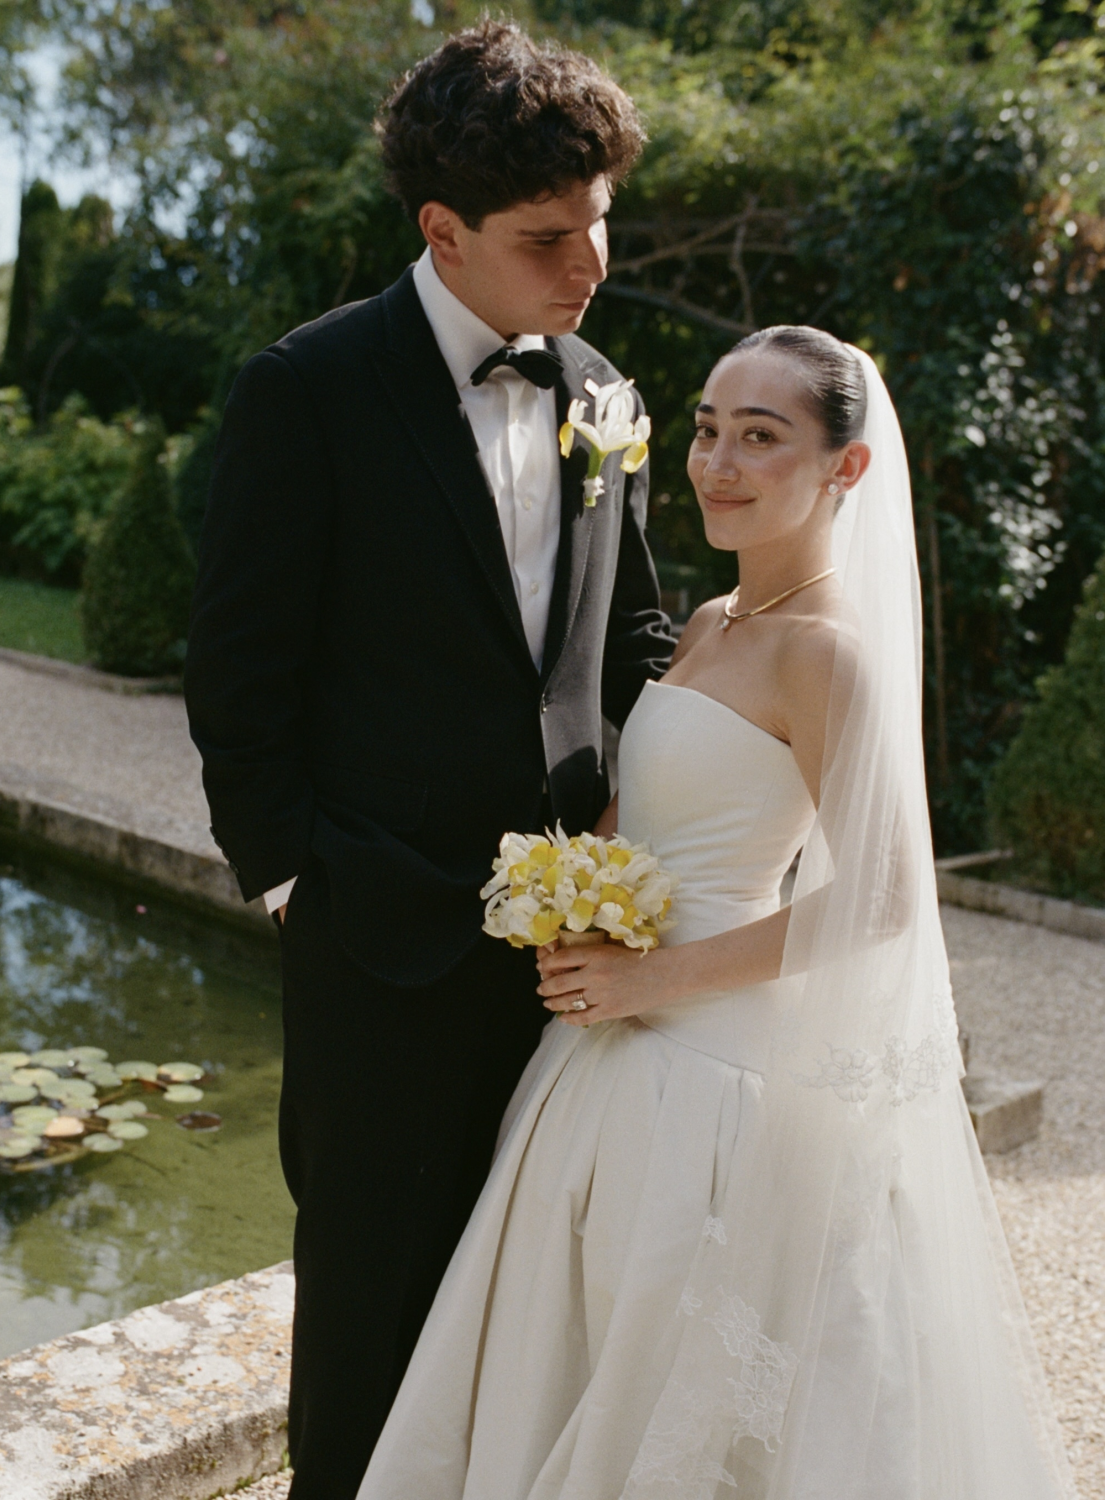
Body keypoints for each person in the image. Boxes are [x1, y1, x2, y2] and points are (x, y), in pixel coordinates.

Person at [355, 328, 1076, 1498]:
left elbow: (884, 898)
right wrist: (572, 893)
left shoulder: (826, 655)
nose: (717, 463)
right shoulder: (709, 623)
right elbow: (651, 810)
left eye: (761, 437)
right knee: (572, 1355)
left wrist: (650, 980)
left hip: (709, 1069)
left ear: (845, 467)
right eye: (705, 430)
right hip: (603, 1047)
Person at [183, 21, 674, 1498]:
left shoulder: (604, 393)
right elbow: (239, 673)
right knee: (371, 1318)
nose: (590, 263)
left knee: (540, 1311)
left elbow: (630, 637)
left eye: (599, 221)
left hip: (579, 953)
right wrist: (298, 885)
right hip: (380, 938)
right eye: (548, 238)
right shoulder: (307, 388)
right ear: (442, 231)